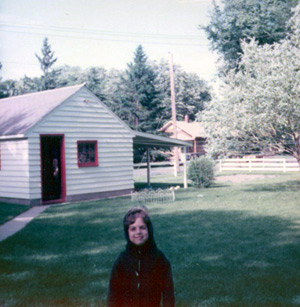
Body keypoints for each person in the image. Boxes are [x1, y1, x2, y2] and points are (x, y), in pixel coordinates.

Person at [107, 207, 175, 307]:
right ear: (127, 232)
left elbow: (168, 293)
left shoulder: (159, 259)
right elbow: (113, 294)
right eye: (133, 229)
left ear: (149, 229)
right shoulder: (121, 261)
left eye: (142, 227)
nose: (138, 232)